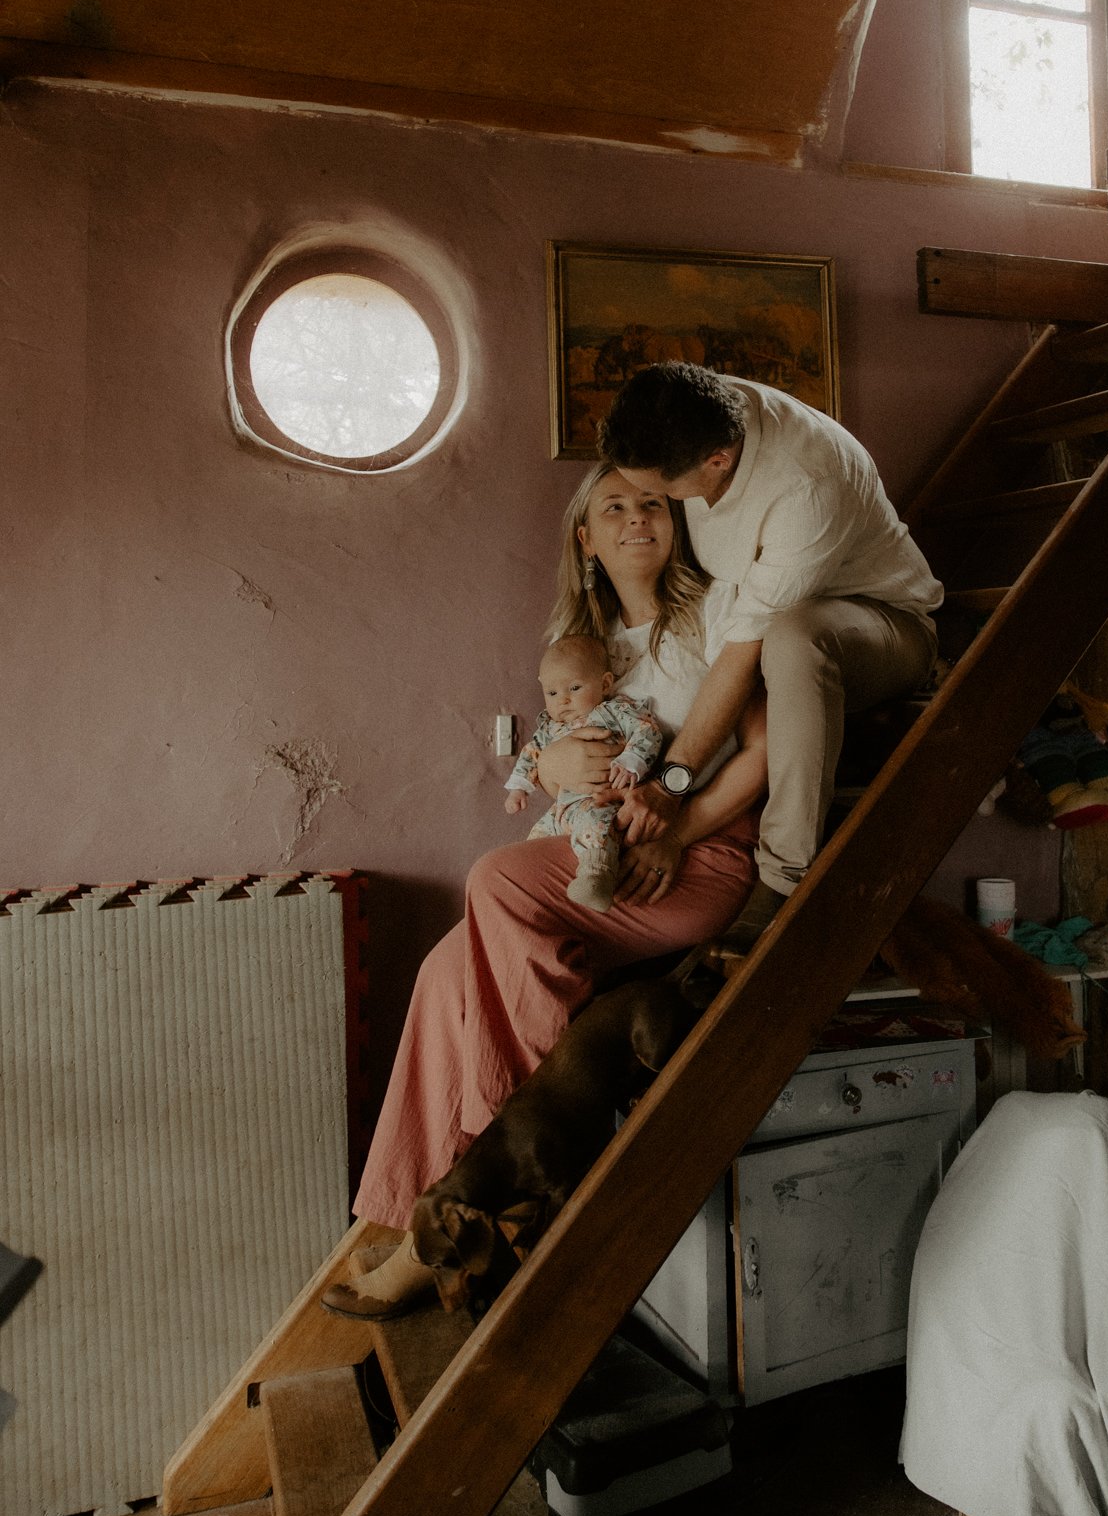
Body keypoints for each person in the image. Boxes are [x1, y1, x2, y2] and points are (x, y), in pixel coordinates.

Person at [323, 463, 766, 1318]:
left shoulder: (717, 618)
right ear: (585, 538)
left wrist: (677, 828)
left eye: (652, 503)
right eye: (614, 507)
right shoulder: (585, 647)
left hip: (692, 858)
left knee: (496, 878)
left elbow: (764, 755)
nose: (637, 518)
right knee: (443, 970)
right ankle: (412, 1215)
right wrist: (555, 763)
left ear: (677, 520)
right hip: (593, 861)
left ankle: (489, 1177)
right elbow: (557, 762)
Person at [598, 364, 941, 947]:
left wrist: (670, 788)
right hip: (765, 627)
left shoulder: (806, 487)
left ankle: (785, 877)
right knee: (777, 637)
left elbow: (743, 653)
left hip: (885, 626)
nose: (660, 506)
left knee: (792, 637)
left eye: (665, 495)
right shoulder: (702, 406)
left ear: (717, 461)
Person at [503, 634, 663, 911]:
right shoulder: (549, 728)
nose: (563, 700)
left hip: (601, 797)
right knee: (536, 836)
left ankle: (596, 877)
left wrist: (632, 760)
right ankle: (529, 889)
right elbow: (532, 753)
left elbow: (647, 730)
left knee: (595, 825)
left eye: (574, 688)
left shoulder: (615, 711)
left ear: (605, 684)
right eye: (552, 693)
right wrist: (519, 787)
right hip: (562, 807)